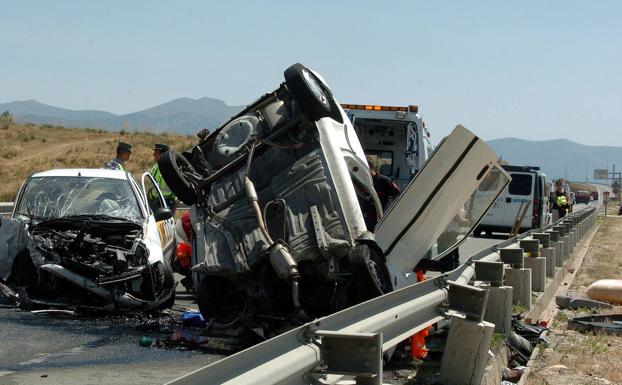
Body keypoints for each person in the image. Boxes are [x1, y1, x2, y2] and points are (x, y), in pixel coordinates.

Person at [149, 143, 178, 211]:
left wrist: (176, 202)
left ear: (162, 154)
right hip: (154, 202)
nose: (153, 154)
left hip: (166, 202)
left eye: (156, 152)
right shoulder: (155, 167)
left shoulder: (171, 168)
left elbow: (177, 185)